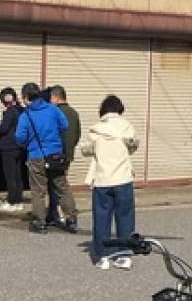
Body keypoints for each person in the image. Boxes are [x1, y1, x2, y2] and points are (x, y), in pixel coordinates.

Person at [82, 95, 139, 270]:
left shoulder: (96, 129)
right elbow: (133, 146)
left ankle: (103, 256)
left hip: (102, 179)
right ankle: (124, 256)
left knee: (101, 219)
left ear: (103, 110)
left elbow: (86, 150)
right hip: (123, 178)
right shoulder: (127, 127)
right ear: (120, 110)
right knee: (125, 218)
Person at [15, 82, 78, 235]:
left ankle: (40, 222)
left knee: (38, 191)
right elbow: (64, 125)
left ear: (25, 97)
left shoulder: (26, 115)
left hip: (36, 156)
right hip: (55, 154)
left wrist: (30, 142)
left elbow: (20, 137)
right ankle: (71, 219)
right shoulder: (52, 109)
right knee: (62, 187)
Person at [47, 85, 80, 230]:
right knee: (58, 184)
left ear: (55, 97)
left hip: (55, 155)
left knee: (59, 185)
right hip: (67, 155)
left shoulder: (55, 112)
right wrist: (70, 149)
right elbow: (77, 134)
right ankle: (53, 212)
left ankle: (68, 215)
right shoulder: (73, 112)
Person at [0, 87, 24, 213]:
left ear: (7, 98)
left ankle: (12, 202)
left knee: (10, 176)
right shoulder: (20, 110)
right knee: (17, 176)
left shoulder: (11, 111)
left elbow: (4, 129)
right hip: (18, 147)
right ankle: (18, 200)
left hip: (9, 147)